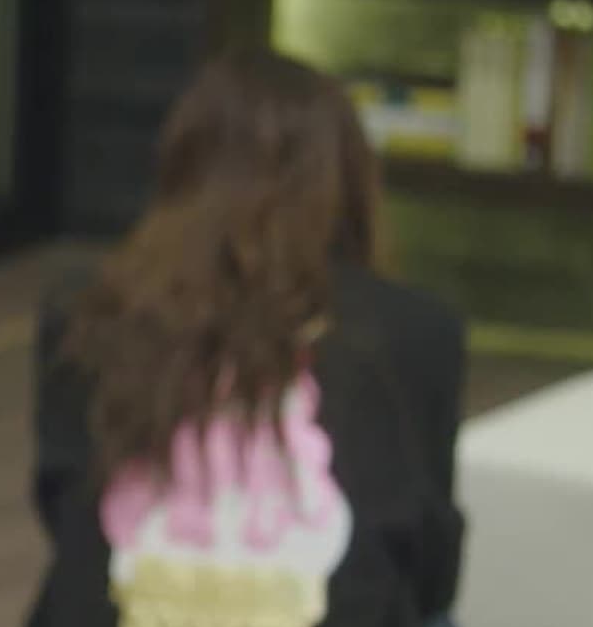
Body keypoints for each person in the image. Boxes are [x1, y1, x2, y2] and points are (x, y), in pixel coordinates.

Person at [26, 51, 467, 627]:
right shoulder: (413, 327)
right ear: (350, 181)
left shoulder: (85, 310)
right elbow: (431, 563)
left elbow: (64, 507)